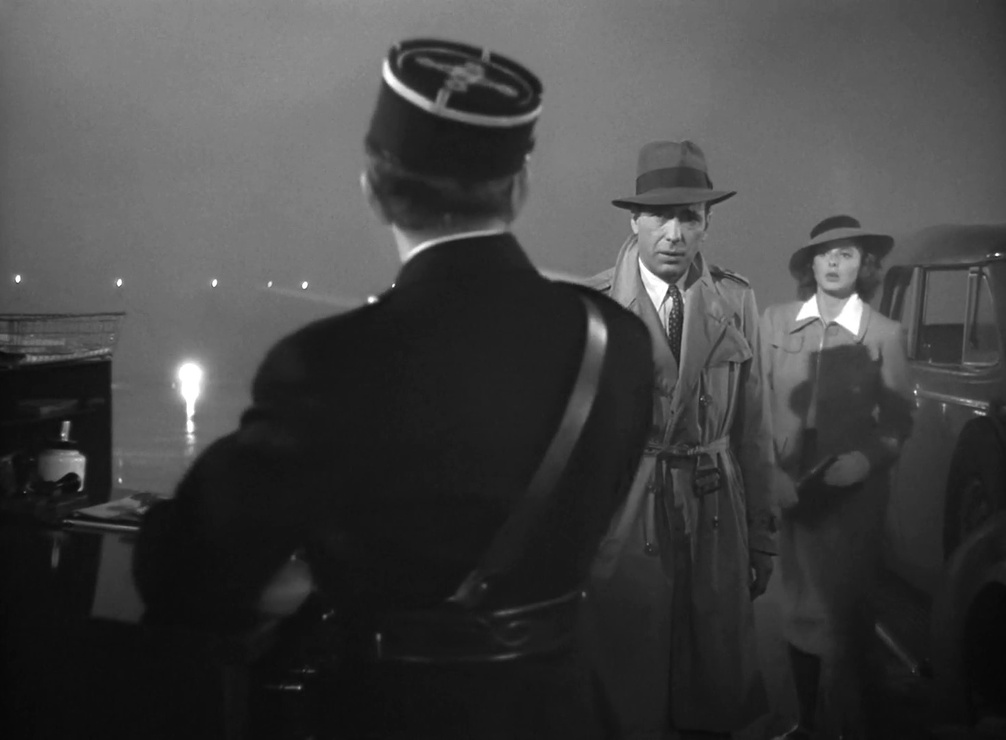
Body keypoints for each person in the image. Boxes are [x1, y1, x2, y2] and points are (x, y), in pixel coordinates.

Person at [132, 38, 653, 739]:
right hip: (563, 711)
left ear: (372, 185)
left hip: (393, 711)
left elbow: (188, 573)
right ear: (520, 185)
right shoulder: (615, 340)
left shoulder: (327, 362)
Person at [581, 140, 777, 740]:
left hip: (716, 511)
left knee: (711, 678)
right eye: (660, 216)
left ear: (707, 222)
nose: (674, 233)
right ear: (633, 221)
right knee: (627, 683)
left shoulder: (735, 299)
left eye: (689, 216)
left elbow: (753, 427)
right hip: (627, 517)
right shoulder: (594, 307)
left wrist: (762, 536)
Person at [761, 215, 914, 740]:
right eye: (824, 253)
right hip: (791, 490)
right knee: (796, 608)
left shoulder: (884, 333)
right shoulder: (774, 323)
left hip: (852, 496)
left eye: (846, 253)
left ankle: (850, 725)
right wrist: (768, 472)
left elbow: (898, 422)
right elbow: (753, 405)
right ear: (810, 264)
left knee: (845, 614)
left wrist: (866, 461)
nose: (833, 262)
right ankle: (805, 723)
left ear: (864, 266)